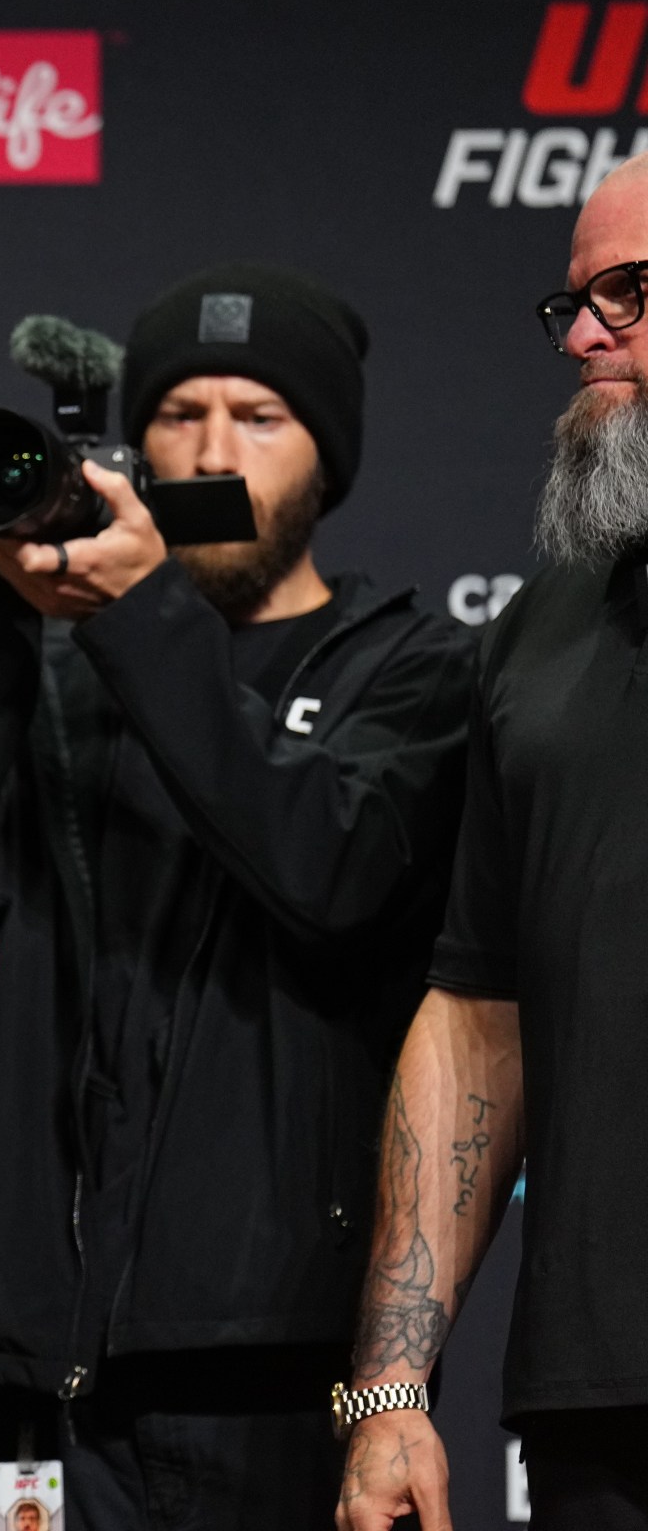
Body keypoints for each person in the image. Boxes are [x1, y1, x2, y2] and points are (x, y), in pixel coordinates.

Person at [0, 263, 475, 1530]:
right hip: (27, 1378)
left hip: (270, 1375)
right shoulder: (64, 671)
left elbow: (333, 871)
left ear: (327, 459)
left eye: (259, 415)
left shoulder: (414, 670)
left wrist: (142, 613)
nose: (213, 446)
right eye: (181, 413)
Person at [334, 155, 648, 1531]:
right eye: (574, 303)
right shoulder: (543, 628)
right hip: (598, 1398)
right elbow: (476, 1018)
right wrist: (390, 1389)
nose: (584, 337)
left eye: (628, 295)